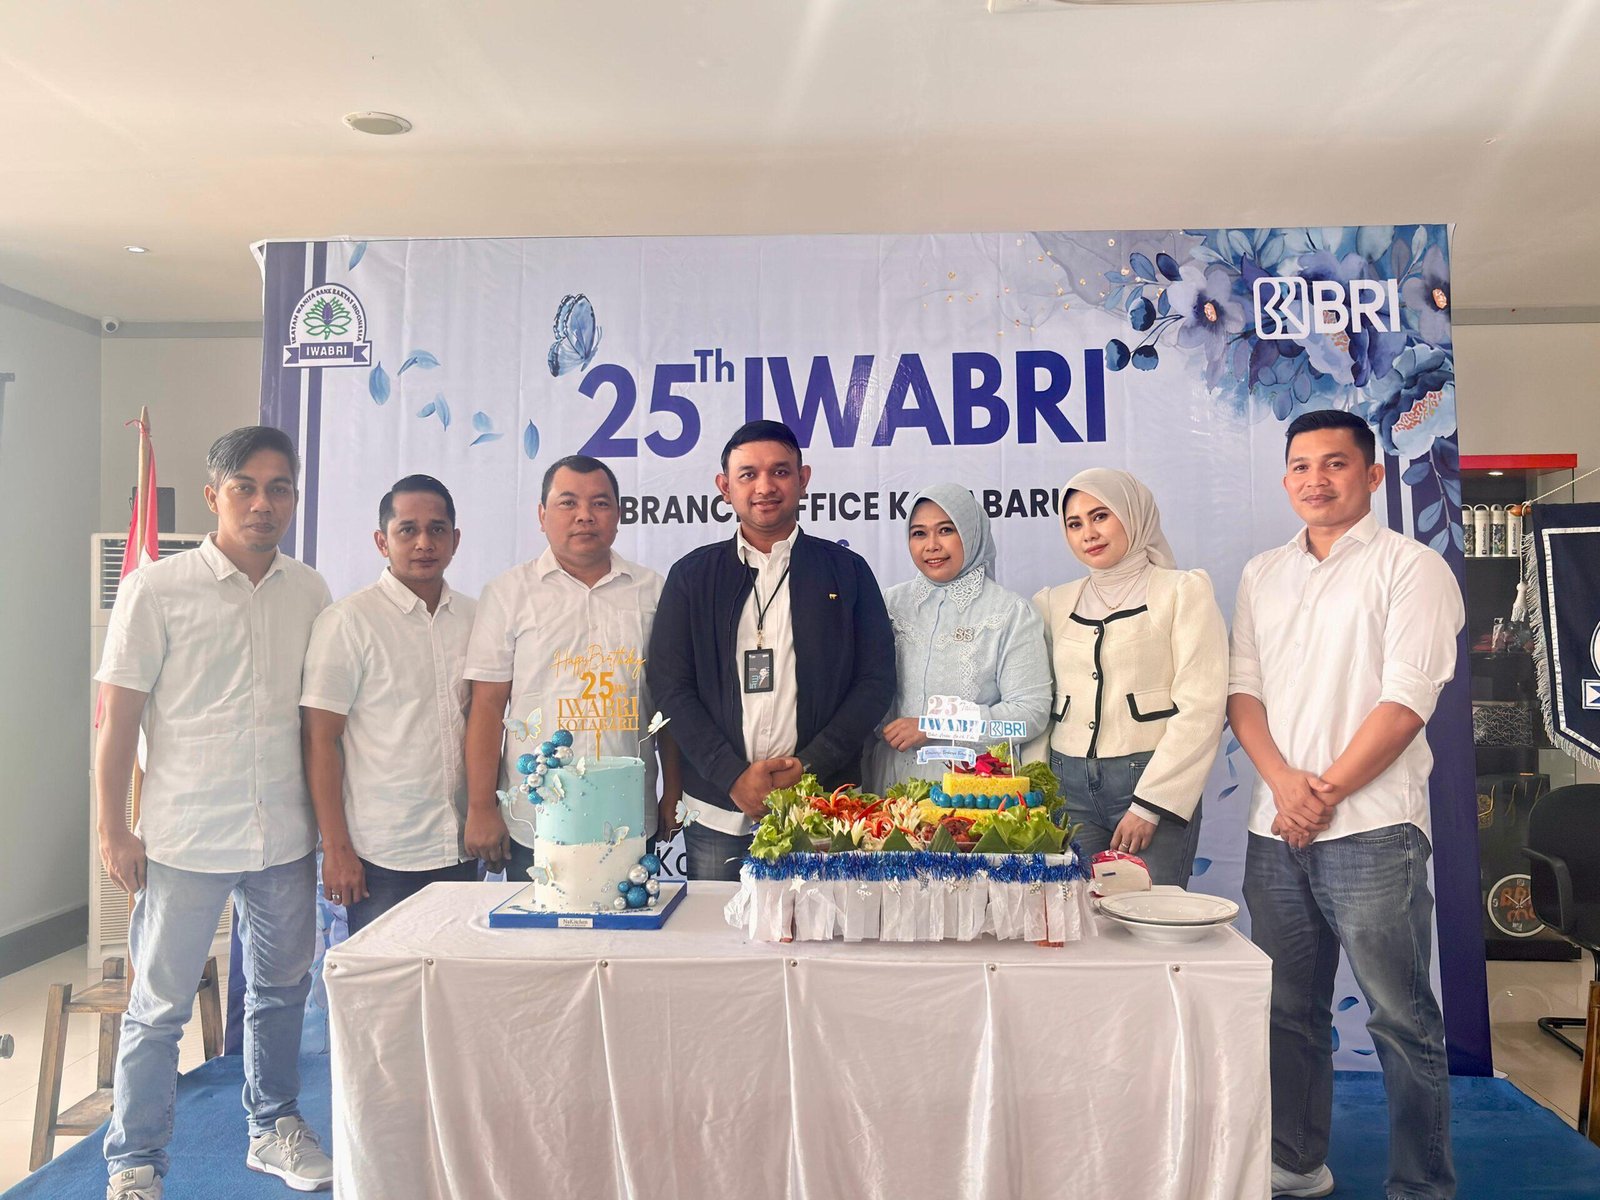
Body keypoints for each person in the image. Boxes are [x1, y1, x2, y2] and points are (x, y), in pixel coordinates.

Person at [94, 426, 334, 1199]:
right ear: (213, 496)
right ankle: (135, 1162)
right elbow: (118, 720)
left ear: (294, 498)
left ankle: (274, 1128)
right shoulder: (157, 589)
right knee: (158, 1009)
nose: (264, 503)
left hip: (285, 835)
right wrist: (112, 828)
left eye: (279, 488)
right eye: (245, 488)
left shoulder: (310, 591)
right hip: (184, 837)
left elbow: (319, 720)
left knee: (281, 993)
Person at [1229, 409, 1463, 1200]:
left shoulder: (1412, 568)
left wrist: (1320, 792)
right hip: (1275, 830)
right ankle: (1297, 1161)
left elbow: (1406, 703)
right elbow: (1243, 693)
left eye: (1334, 463)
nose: (1316, 480)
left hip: (1373, 831)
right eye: (1301, 466)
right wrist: (1285, 786)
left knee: (1401, 1020)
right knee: (1288, 1010)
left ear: (1373, 474)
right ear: (1285, 479)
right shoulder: (1262, 573)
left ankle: (1421, 1184)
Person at [647, 420, 896, 879]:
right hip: (719, 808)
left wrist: (809, 767)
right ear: (725, 488)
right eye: (748, 474)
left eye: (780, 472)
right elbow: (670, 686)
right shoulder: (692, 577)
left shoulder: (847, 572)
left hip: (824, 806)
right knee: (719, 924)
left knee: (825, 923)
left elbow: (875, 682)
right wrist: (731, 775)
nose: (764, 486)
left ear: (803, 479)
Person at [462, 454, 678, 881]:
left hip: (628, 813)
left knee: (629, 923)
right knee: (540, 926)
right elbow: (486, 708)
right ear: (542, 515)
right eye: (568, 503)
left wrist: (673, 789)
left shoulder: (653, 591)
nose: (584, 515)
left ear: (619, 514)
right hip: (537, 818)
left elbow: (670, 704)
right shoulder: (508, 593)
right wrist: (481, 806)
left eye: (600, 503)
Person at [1031, 468, 1227, 886]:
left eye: (1100, 516)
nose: (1089, 533)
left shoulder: (1181, 591)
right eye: (1074, 524)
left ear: (1133, 515)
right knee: (1076, 912)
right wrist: (1037, 792)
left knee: (1148, 912)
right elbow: (1039, 704)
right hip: (1067, 786)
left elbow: (1202, 706)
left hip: (1147, 779)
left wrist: (1150, 804)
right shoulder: (1053, 603)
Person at [300, 475, 478, 934]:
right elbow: (320, 739)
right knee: (384, 977)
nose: (424, 543)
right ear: (382, 541)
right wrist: (335, 847)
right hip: (381, 855)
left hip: (461, 846)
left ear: (455, 540)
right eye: (407, 530)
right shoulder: (348, 622)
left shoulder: (476, 618)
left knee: (454, 973)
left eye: (437, 530)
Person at [867, 483, 1051, 792]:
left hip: (974, 791)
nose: (932, 546)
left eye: (946, 530)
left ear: (971, 533)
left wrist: (936, 725)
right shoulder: (888, 604)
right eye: (919, 533)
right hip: (890, 783)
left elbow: (1029, 716)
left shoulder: (1010, 612)